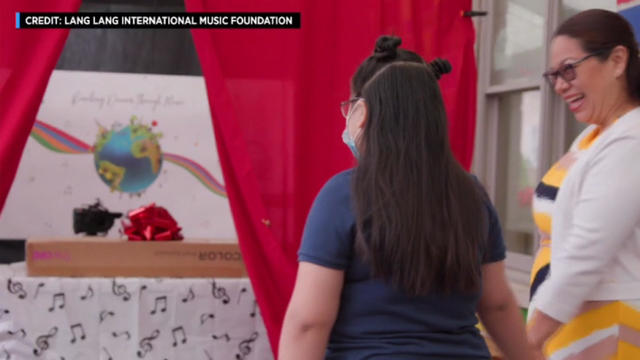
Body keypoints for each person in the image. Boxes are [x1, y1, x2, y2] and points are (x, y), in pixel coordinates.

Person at [279, 36, 534, 359]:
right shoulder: (471, 194)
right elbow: (497, 305)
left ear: (365, 113)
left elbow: (308, 323)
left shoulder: (342, 196)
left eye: (351, 108)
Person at [527, 9, 640, 359]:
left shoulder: (632, 140)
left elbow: (585, 254)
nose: (561, 84)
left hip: (607, 331)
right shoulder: (594, 135)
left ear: (618, 60)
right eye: (554, 75)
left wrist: (526, 342)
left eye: (569, 69)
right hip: (576, 328)